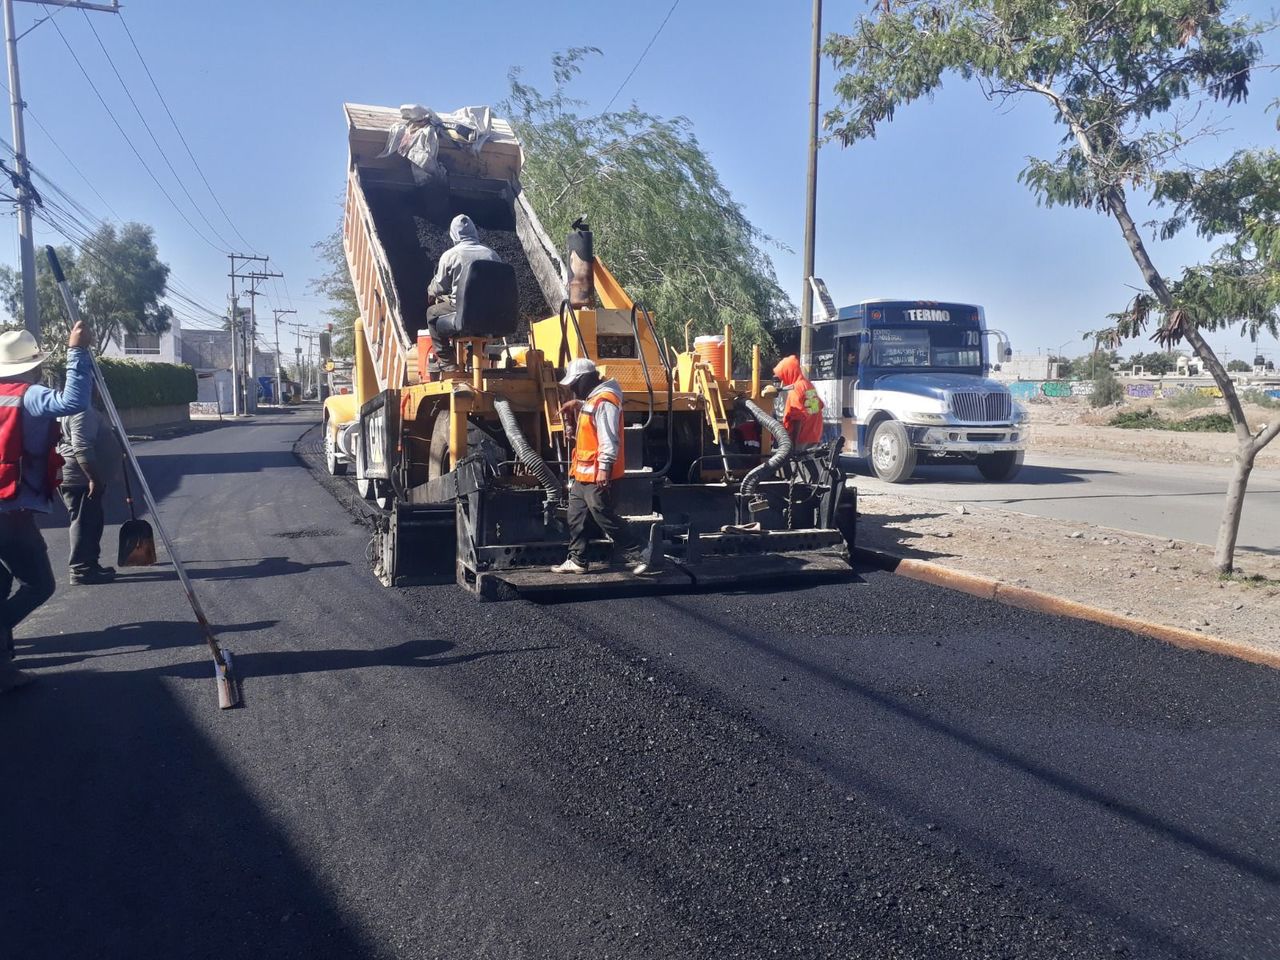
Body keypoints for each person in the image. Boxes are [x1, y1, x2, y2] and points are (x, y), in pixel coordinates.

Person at [0, 321, 93, 692]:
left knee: (3, 581)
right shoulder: (30, 394)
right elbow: (73, 402)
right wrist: (78, 351)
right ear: (32, 365)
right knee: (39, 585)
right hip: (11, 512)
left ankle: (4, 670)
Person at [550, 357, 646, 576]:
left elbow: (608, 438)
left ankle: (643, 553)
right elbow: (592, 422)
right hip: (583, 473)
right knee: (576, 515)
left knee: (603, 515)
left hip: (597, 473)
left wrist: (604, 467)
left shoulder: (605, 401)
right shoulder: (594, 400)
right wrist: (578, 406)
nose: (573, 388)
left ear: (586, 380)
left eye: (575, 383)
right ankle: (577, 560)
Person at [425, 214, 501, 374]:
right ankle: (475, 358)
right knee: (479, 324)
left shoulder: (451, 256)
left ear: (454, 234)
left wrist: (431, 292)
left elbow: (439, 287)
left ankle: (447, 362)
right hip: (489, 315)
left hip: (460, 311)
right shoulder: (492, 255)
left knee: (431, 313)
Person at [58, 386, 116, 586]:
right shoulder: (82, 411)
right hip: (80, 477)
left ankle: (90, 564)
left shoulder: (74, 408)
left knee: (90, 521)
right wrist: (94, 478)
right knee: (84, 522)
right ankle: (82, 570)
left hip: (78, 474)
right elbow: (82, 447)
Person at [773, 354, 825, 448]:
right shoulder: (807, 385)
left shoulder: (795, 389)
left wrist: (794, 442)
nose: (782, 381)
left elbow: (797, 417)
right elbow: (817, 408)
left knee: (796, 462)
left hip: (801, 438)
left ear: (789, 373)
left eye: (783, 376)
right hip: (814, 434)